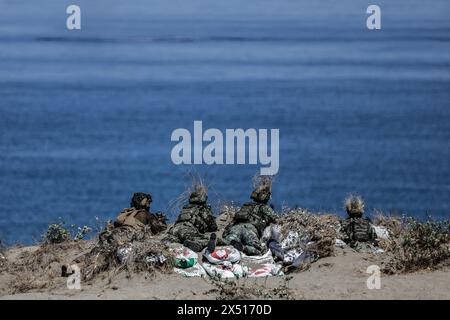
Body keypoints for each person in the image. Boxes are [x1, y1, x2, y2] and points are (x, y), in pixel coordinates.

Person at [219, 179, 279, 255]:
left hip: (235, 228)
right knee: (259, 251)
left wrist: (226, 232)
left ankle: (219, 241)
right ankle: (243, 248)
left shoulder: (246, 205)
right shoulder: (264, 207)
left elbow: (233, 221)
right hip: (250, 230)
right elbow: (277, 220)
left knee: (228, 241)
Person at [163, 187, 217, 252]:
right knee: (205, 239)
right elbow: (213, 226)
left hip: (174, 230)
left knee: (171, 239)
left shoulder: (185, 208)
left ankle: (166, 242)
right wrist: (209, 213)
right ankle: (192, 244)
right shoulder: (202, 209)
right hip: (187, 230)